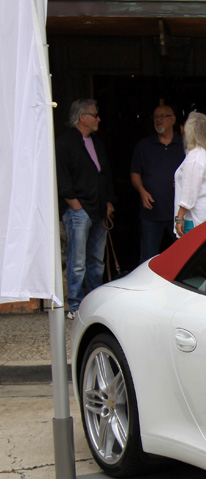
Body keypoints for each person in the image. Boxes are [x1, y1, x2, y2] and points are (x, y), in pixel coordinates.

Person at [55, 98, 116, 319]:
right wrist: (74, 205)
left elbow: (105, 173)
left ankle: (94, 301)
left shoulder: (96, 141)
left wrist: (109, 201)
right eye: (94, 115)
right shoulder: (65, 143)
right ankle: (75, 304)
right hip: (79, 210)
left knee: (96, 261)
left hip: (99, 209)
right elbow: (62, 177)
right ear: (82, 117)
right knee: (77, 260)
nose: (98, 118)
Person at [131, 104, 185, 262]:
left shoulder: (185, 145)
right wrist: (141, 191)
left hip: (178, 213)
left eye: (163, 116)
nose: (158, 120)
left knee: (184, 257)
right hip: (151, 212)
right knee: (148, 258)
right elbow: (135, 173)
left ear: (173, 119)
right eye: (155, 117)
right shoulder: (144, 145)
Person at [173, 112, 206, 237]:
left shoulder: (196, 155)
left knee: (191, 255)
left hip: (195, 219)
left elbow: (189, 192)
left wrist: (179, 217)